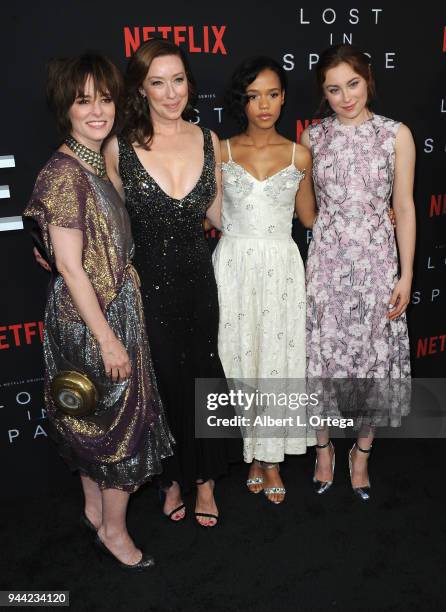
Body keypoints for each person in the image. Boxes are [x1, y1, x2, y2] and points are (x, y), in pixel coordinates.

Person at [24, 53, 173, 568]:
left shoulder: (96, 156)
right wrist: (108, 337)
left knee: (91, 419)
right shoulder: (65, 173)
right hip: (95, 320)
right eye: (82, 100)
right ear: (63, 106)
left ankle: (93, 509)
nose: (96, 110)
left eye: (104, 98)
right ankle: (113, 530)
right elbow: (70, 267)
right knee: (120, 429)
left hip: (108, 310)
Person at [104, 39, 232, 527]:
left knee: (203, 373)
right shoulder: (119, 148)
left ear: (189, 83)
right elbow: (110, 225)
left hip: (200, 283)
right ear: (141, 88)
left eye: (178, 79)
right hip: (147, 286)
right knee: (160, 380)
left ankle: (206, 481)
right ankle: (172, 478)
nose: (171, 92)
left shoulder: (209, 140)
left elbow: (220, 215)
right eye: (158, 82)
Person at [301, 44, 415, 501]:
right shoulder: (312, 138)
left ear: (367, 79)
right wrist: (339, 222)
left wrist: (406, 275)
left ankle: (362, 453)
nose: (345, 97)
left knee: (373, 356)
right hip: (326, 264)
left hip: (378, 265)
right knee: (323, 357)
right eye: (333, 89)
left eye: (352, 84)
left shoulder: (395, 135)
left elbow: (405, 207)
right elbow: (306, 213)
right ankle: (324, 448)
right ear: (323, 94)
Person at [212, 57, 317, 504]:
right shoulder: (222, 151)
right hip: (233, 264)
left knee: (277, 359)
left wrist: (373, 215)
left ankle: (272, 460)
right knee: (237, 356)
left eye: (273, 94)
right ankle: (250, 454)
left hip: (281, 268)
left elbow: (310, 218)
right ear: (242, 101)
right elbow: (211, 212)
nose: (264, 104)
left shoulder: (299, 154)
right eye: (254, 96)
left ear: (284, 97)